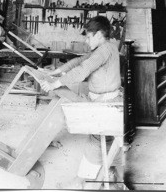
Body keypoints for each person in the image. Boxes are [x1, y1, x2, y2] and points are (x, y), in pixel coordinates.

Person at [39, 15, 123, 189]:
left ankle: (81, 182)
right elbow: (80, 61)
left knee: (96, 140)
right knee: (104, 141)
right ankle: (112, 177)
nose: (86, 40)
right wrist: (58, 72)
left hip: (107, 103)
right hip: (104, 100)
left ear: (99, 34)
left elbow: (83, 70)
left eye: (88, 36)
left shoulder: (105, 50)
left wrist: (56, 83)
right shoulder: (104, 48)